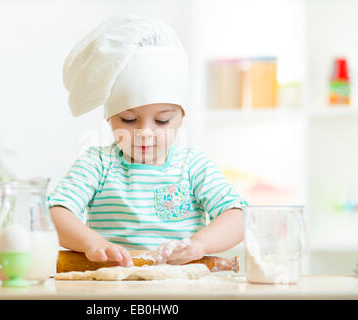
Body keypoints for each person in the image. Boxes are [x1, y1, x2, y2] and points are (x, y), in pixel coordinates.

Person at [48, 15, 248, 267]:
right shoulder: (98, 164)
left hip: (181, 288)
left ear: (181, 117)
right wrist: (92, 243)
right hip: (111, 288)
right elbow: (56, 212)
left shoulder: (193, 166)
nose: (145, 132)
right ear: (109, 118)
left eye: (162, 121)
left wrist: (199, 244)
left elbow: (239, 217)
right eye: (129, 120)